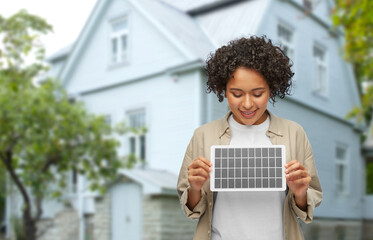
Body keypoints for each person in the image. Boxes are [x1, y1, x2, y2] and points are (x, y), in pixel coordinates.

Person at [177, 36, 322, 240]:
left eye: (257, 93)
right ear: (223, 90)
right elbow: (192, 209)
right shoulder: (203, 136)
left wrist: (299, 193)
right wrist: (194, 187)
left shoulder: (294, 133)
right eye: (236, 94)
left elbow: (310, 199)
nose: (247, 104)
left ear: (271, 89)